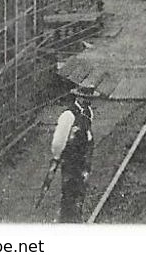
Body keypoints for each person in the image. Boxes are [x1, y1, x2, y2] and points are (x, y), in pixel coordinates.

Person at [49, 84, 96, 222]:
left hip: (83, 159)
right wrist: (57, 156)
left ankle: (76, 218)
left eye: (89, 99)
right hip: (71, 159)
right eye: (84, 98)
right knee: (69, 192)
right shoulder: (68, 115)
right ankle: (66, 220)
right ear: (77, 97)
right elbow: (58, 141)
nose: (87, 101)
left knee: (80, 191)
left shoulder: (88, 112)